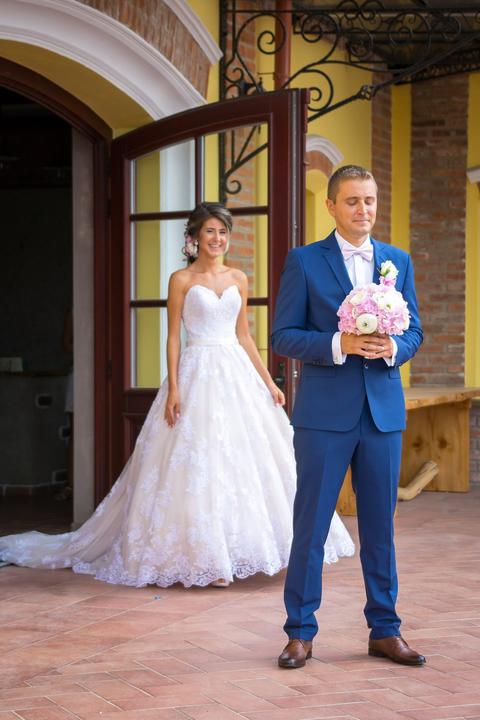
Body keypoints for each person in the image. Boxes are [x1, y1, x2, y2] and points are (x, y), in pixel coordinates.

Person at [0, 202, 354, 588]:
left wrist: (268, 382)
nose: (217, 239)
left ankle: (252, 550)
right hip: (196, 371)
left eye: (223, 232)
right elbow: (173, 337)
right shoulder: (181, 279)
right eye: (210, 231)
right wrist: (173, 387)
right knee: (199, 460)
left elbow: (244, 335)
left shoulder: (238, 277)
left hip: (235, 373)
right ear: (195, 237)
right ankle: (207, 559)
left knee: (241, 459)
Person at [272, 166, 425, 669]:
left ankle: (386, 630)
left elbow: (415, 330)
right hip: (323, 416)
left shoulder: (397, 261)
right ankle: (300, 633)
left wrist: (392, 348)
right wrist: (341, 343)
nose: (363, 210)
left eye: (370, 200)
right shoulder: (304, 261)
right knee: (311, 526)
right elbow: (283, 335)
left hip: (382, 414)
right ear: (331, 206)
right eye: (353, 201)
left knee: (380, 529)